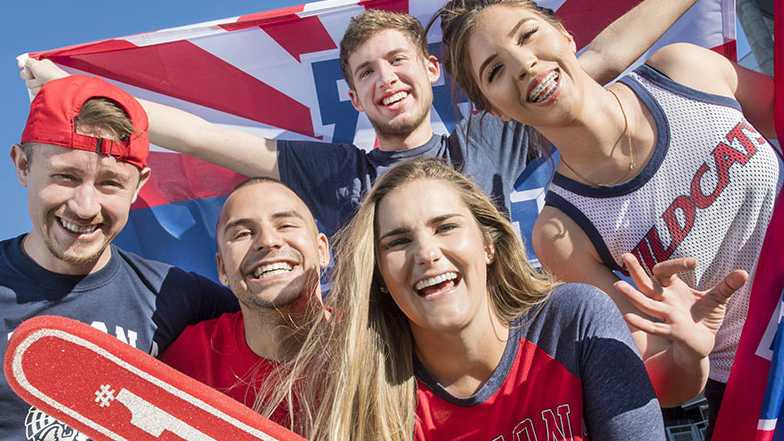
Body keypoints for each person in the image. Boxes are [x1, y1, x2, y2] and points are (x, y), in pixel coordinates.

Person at [22, 1, 701, 235]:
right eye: (367, 73)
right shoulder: (336, 172)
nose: (387, 80)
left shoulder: (490, 136)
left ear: (431, 70)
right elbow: (203, 136)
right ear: (352, 97)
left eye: (397, 61)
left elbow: (604, 56)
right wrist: (74, 87)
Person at [436, 0, 781, 429]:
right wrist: (689, 348)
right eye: (495, 71)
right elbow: (669, 384)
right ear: (495, 110)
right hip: (760, 386)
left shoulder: (683, 69)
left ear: (565, 35)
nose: (523, 64)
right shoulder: (562, 233)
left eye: (527, 35)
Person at [272, 157, 669, 441]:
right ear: (379, 276)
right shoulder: (367, 393)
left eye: (445, 227)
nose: (426, 253)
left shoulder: (572, 321)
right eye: (398, 241)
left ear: (488, 245)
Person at [0, 75, 238, 441]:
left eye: (110, 183)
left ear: (138, 186)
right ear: (22, 166)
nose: (85, 206)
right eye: (65, 176)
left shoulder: (176, 295)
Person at [160, 177, 330, 427]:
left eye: (285, 225)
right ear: (222, 269)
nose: (267, 241)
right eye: (242, 233)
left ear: (322, 250)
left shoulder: (378, 348)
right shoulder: (186, 363)